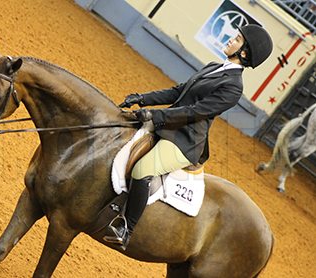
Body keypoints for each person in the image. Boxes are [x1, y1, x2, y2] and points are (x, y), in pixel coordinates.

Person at [103, 24, 273, 250]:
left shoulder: (233, 87)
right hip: (168, 124)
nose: (231, 39)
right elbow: (178, 92)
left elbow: (195, 112)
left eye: (238, 39)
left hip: (184, 140)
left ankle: (126, 227)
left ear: (244, 53)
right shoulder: (214, 67)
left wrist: (154, 116)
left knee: (143, 170)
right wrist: (142, 99)